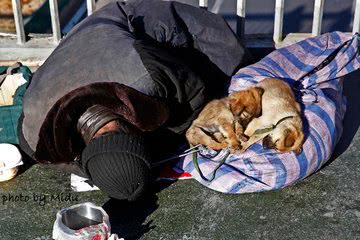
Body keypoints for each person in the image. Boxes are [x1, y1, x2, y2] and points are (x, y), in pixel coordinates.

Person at [18, 0, 251, 201]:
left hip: (131, 19)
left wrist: (166, 142)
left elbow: (194, 92)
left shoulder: (145, 79)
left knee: (229, 66)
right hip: (79, 48)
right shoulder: (35, 140)